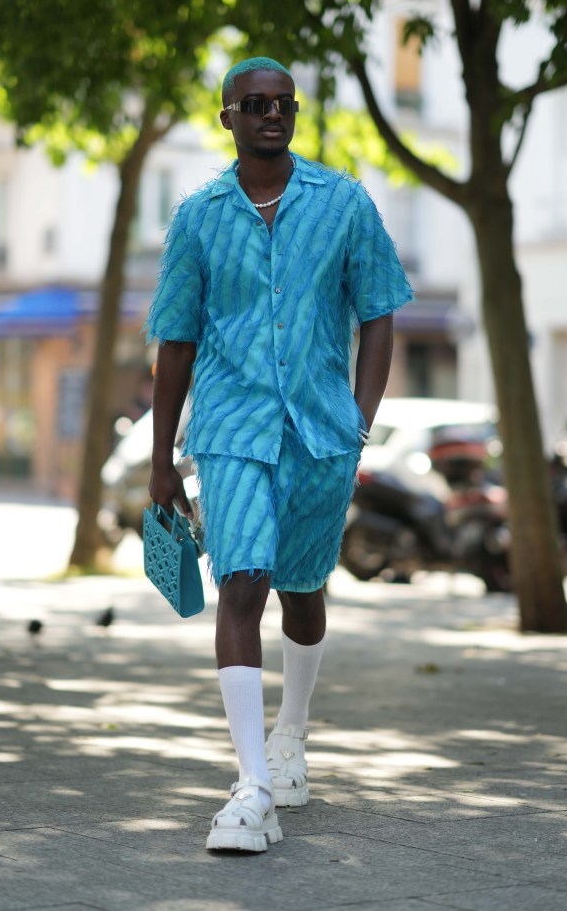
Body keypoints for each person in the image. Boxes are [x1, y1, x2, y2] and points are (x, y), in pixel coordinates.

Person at [146, 56, 413, 852]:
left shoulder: (345, 204)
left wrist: (358, 423)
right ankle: (253, 786)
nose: (271, 113)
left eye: (283, 104)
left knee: (301, 587)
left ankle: (291, 735)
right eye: (254, 103)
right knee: (242, 582)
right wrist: (161, 461)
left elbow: (379, 312)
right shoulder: (197, 218)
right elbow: (176, 341)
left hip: (320, 436)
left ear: (293, 114)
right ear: (227, 117)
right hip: (230, 430)